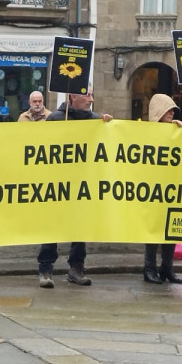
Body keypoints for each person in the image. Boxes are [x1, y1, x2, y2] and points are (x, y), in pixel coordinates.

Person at [37, 88, 113, 288]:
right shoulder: (55, 118)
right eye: (86, 95)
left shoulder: (95, 120)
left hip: (82, 183)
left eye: (92, 95)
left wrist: (108, 127)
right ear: (72, 97)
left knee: (80, 226)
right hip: (57, 181)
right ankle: (46, 269)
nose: (91, 99)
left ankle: (76, 268)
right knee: (52, 226)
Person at [143, 94, 182, 285]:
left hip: (172, 186)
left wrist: (181, 132)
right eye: (168, 109)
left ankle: (167, 267)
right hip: (153, 188)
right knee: (153, 229)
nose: (172, 112)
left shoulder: (175, 130)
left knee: (172, 228)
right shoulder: (145, 132)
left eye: (172, 109)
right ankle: (149, 268)